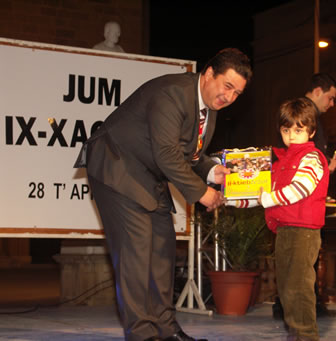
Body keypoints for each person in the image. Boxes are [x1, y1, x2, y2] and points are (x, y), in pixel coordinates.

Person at [74, 48, 252, 341]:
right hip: (117, 166)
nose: (229, 97)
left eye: (237, 93)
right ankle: (142, 333)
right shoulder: (172, 93)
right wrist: (201, 193)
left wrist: (212, 172)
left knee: (162, 249)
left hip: (147, 173)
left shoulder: (209, 108)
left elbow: (190, 153)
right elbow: (168, 154)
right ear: (209, 74)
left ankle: (166, 330)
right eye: (227, 86)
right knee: (137, 250)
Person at [227, 98, 329, 341]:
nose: (292, 136)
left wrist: (267, 199)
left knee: (298, 288)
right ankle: (298, 334)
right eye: (286, 130)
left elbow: (301, 188)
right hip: (286, 230)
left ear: (311, 131)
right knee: (286, 289)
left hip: (303, 231)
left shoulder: (312, 158)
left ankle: (305, 336)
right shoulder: (281, 161)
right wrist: (230, 198)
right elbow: (259, 194)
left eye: (298, 129)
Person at [304, 73, 336, 173]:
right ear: (317, 92)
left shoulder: (306, 112)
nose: (332, 104)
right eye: (330, 98)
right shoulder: (303, 113)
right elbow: (306, 151)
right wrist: (326, 162)